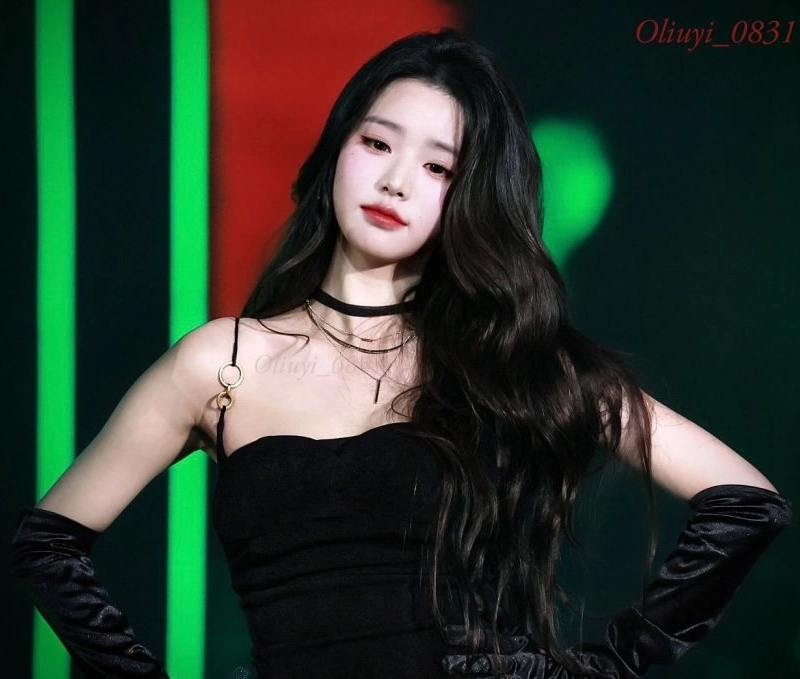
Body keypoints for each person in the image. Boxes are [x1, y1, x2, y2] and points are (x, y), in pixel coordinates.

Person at [12, 29, 791, 679]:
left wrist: (611, 665)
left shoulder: (505, 361)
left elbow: (744, 503)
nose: (395, 180)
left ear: (471, 194)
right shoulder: (223, 362)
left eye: (438, 166)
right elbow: (48, 544)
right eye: (377, 142)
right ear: (337, 149)